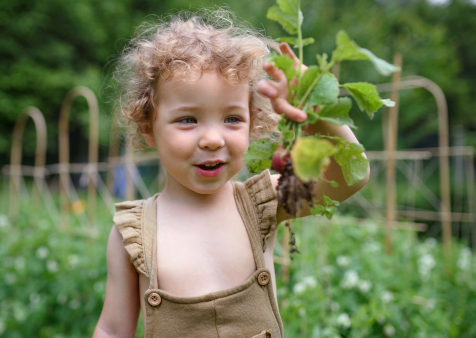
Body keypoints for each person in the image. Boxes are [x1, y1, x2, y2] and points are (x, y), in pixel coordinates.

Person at [93, 8, 369, 338]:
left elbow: (351, 174)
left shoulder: (261, 204)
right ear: (148, 127)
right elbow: (111, 330)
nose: (213, 139)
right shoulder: (133, 234)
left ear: (255, 123)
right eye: (188, 120)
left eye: (232, 119)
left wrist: (314, 104)